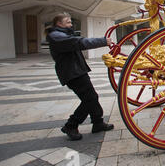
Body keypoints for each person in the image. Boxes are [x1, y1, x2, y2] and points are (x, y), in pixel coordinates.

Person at [46, 13, 114, 141]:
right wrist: (103, 41)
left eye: (70, 22)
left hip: (77, 71)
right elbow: (80, 42)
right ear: (59, 24)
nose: (71, 24)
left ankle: (97, 122)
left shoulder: (61, 35)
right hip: (72, 73)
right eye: (68, 22)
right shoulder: (57, 37)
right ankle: (71, 125)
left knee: (91, 97)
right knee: (90, 99)